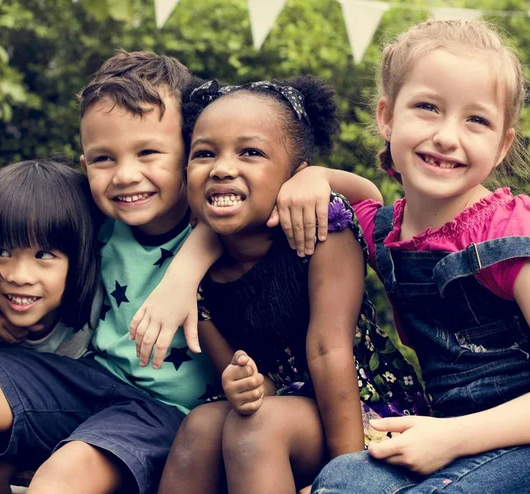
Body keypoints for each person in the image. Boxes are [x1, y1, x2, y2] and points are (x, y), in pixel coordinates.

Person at [304, 19, 530, 492]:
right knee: (341, 479)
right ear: (387, 117)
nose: (448, 136)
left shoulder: (509, 239)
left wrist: (453, 437)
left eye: (477, 120)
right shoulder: (387, 231)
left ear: (502, 144)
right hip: (458, 438)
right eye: (428, 107)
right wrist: (313, 176)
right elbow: (362, 197)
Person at [157, 75, 428, 494]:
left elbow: (328, 349)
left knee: (256, 428)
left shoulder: (321, 225)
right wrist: (243, 383)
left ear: (294, 177)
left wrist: (349, 478)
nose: (223, 167)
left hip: (360, 410)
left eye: (250, 152)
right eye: (204, 153)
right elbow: (243, 373)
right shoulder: (195, 276)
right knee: (201, 426)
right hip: (285, 406)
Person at [0, 50, 217, 494]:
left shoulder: (218, 217)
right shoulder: (97, 218)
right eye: (104, 159)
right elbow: (23, 251)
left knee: (61, 478)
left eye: (147, 152)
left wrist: (187, 267)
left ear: (191, 154)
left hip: (162, 412)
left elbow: (339, 190)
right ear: (85, 167)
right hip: (88, 381)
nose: (125, 175)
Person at [0, 159, 102, 358]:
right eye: (2, 253)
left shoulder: (109, 311)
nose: (20, 277)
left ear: (80, 259)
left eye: (44, 255)